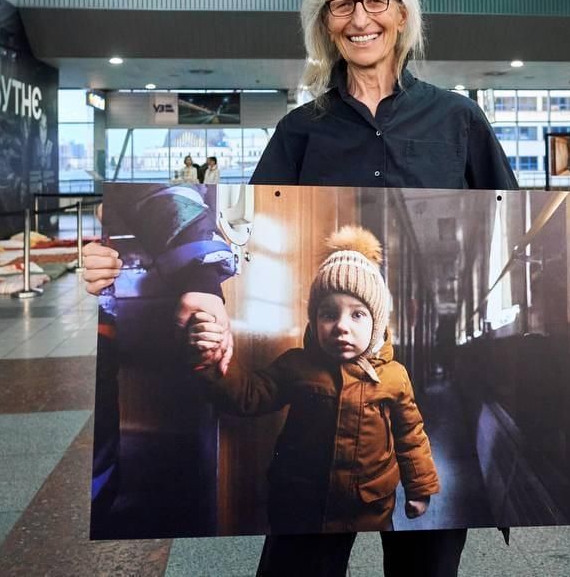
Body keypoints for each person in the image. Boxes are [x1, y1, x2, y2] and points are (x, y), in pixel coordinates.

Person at [82, 0, 570, 577]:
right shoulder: (298, 131)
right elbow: (248, 232)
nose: (360, 18)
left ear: (402, 15)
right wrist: (117, 270)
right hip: (306, 492)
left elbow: (533, 235)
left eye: (376, 1)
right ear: (324, 24)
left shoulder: (459, 120)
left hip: (390, 478)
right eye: (341, 6)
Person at [188, 226, 439, 534]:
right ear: (314, 319)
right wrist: (213, 358)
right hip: (300, 504)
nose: (341, 326)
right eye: (328, 314)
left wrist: (420, 488)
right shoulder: (297, 365)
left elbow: (411, 435)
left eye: (357, 315)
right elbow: (249, 395)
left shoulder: (394, 376)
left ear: (377, 323)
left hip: (368, 508)